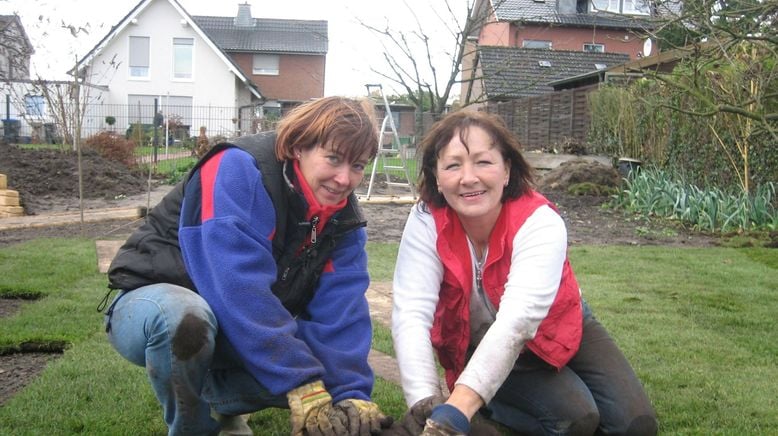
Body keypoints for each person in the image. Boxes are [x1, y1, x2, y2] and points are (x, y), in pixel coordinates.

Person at [100, 97, 393, 436]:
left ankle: (222, 402)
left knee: (321, 373)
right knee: (185, 318)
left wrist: (350, 394)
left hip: (227, 323)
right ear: (299, 147)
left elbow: (341, 313)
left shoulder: (342, 219)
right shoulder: (239, 168)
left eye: (357, 166)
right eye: (333, 158)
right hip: (149, 301)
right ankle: (192, 429)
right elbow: (236, 285)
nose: (344, 179)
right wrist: (300, 380)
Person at [390, 110, 658, 435]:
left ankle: (475, 400)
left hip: (559, 320)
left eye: (483, 162)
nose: (469, 177)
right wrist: (426, 407)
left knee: (636, 426)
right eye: (453, 164)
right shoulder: (425, 222)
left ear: (507, 170)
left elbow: (518, 320)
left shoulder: (540, 221)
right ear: (436, 177)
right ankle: (486, 402)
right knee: (576, 418)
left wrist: (457, 407)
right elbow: (412, 314)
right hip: (481, 339)